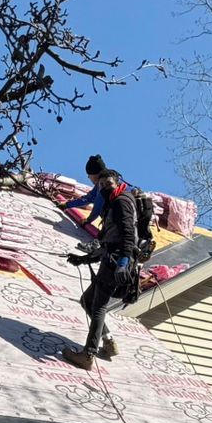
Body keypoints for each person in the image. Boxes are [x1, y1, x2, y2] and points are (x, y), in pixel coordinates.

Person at [60, 157, 140, 371]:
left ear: (118, 181)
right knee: (87, 300)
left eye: (108, 185)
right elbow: (108, 239)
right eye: (101, 185)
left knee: (98, 305)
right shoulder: (112, 202)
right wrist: (85, 258)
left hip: (118, 262)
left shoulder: (122, 201)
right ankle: (108, 342)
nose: (104, 189)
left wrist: (123, 262)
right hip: (110, 258)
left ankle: (88, 355)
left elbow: (128, 236)